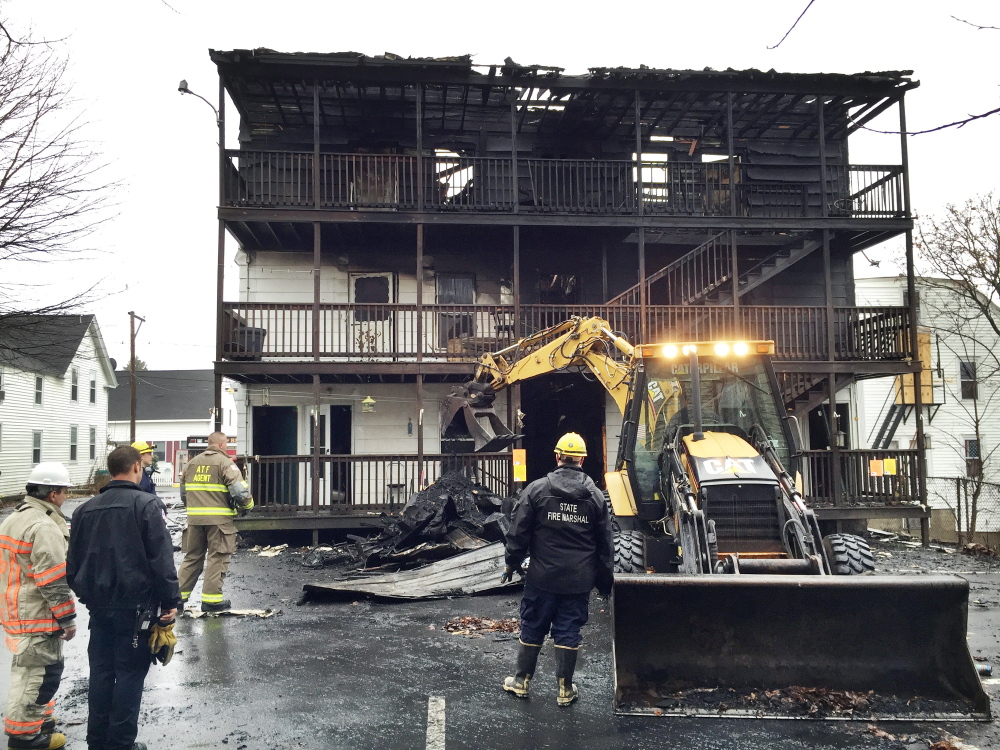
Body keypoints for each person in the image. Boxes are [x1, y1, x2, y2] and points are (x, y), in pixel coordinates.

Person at [67, 446, 182, 750]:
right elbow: (161, 558)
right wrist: (171, 601)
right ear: (134, 467)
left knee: (102, 673)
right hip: (135, 609)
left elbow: (73, 562)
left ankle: (97, 741)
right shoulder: (146, 505)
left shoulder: (83, 510)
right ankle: (120, 743)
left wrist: (87, 594)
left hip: (98, 608)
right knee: (130, 674)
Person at [501, 432, 614, 706]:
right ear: (583, 460)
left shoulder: (537, 490)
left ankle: (521, 682)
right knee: (568, 629)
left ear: (557, 457)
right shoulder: (596, 497)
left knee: (534, 624)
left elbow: (519, 532)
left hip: (542, 577)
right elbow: (605, 546)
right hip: (578, 580)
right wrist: (604, 582)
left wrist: (512, 561)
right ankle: (565, 689)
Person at [0, 463, 77, 750]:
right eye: (65, 491)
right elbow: (52, 581)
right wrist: (67, 618)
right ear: (54, 493)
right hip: (35, 613)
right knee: (37, 673)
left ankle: (40, 720)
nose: (67, 496)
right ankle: (25, 737)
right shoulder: (44, 527)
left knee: (41, 669)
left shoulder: (16, 517)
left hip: (16, 609)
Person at [177, 431, 253, 611]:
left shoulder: (191, 464)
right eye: (226, 443)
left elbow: (183, 494)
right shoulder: (225, 463)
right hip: (219, 521)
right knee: (217, 557)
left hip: (194, 520)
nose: (226, 446)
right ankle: (211, 600)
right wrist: (248, 506)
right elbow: (239, 492)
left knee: (192, 557)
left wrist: (194, 511)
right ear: (220, 445)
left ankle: (177, 598)